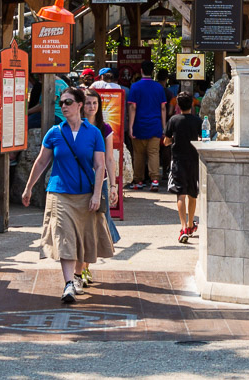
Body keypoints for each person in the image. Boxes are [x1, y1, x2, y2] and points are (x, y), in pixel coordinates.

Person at [21, 86, 112, 304]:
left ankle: (78, 276)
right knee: (64, 238)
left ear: (80, 105)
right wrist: (28, 187)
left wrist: (97, 194)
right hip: (59, 192)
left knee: (82, 239)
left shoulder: (94, 133)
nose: (63, 106)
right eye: (61, 103)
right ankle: (69, 283)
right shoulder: (54, 132)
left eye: (68, 102)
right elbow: (42, 161)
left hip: (85, 194)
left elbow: (100, 166)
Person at [72, 87, 121, 290]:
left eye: (95, 103)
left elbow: (109, 159)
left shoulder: (104, 128)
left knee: (94, 227)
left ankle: (84, 267)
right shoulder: (74, 126)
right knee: (78, 228)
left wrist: (113, 186)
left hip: (98, 184)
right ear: (82, 105)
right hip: (77, 183)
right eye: (88, 103)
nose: (92, 107)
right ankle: (78, 269)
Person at [163, 92, 202, 243]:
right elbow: (202, 138)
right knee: (193, 193)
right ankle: (191, 224)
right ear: (192, 104)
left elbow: (166, 141)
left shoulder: (173, 120)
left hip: (178, 160)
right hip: (193, 160)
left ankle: (183, 226)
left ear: (178, 106)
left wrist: (173, 140)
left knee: (180, 194)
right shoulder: (198, 121)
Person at [126, 60, 167, 191]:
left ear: (141, 71)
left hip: (139, 125)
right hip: (155, 125)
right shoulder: (159, 87)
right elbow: (163, 108)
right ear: (152, 72)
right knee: (154, 153)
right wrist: (164, 126)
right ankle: (154, 180)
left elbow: (132, 107)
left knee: (138, 154)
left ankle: (138, 180)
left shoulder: (135, 87)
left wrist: (131, 126)